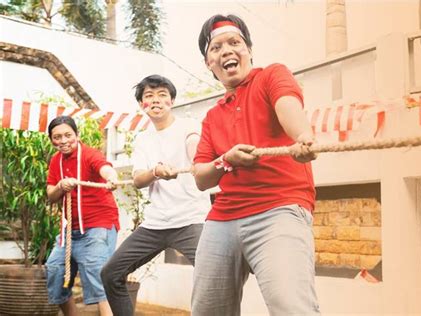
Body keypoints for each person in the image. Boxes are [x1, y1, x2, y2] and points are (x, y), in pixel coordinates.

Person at [191, 14, 321, 315]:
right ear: (208, 63)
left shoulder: (272, 75)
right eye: (216, 47)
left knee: (291, 307)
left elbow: (289, 107)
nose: (226, 50)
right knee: (206, 310)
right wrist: (227, 161)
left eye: (235, 42)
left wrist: (302, 136)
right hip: (222, 218)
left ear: (248, 50)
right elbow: (200, 177)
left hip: (280, 208)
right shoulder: (212, 117)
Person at [100, 75, 211, 316]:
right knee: (110, 274)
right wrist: (156, 171)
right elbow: (139, 179)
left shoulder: (189, 126)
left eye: (162, 95)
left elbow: (195, 145)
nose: (156, 100)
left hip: (192, 221)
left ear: (171, 100)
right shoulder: (143, 138)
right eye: (149, 96)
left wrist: (196, 159)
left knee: (214, 276)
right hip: (155, 225)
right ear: (142, 105)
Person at [46, 115, 119, 316]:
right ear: (52, 140)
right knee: (55, 272)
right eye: (57, 137)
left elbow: (104, 167)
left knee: (97, 276)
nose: (63, 140)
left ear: (77, 135)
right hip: (70, 230)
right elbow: (51, 194)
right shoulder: (56, 161)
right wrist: (61, 186)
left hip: (98, 225)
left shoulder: (89, 154)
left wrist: (111, 177)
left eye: (68, 135)